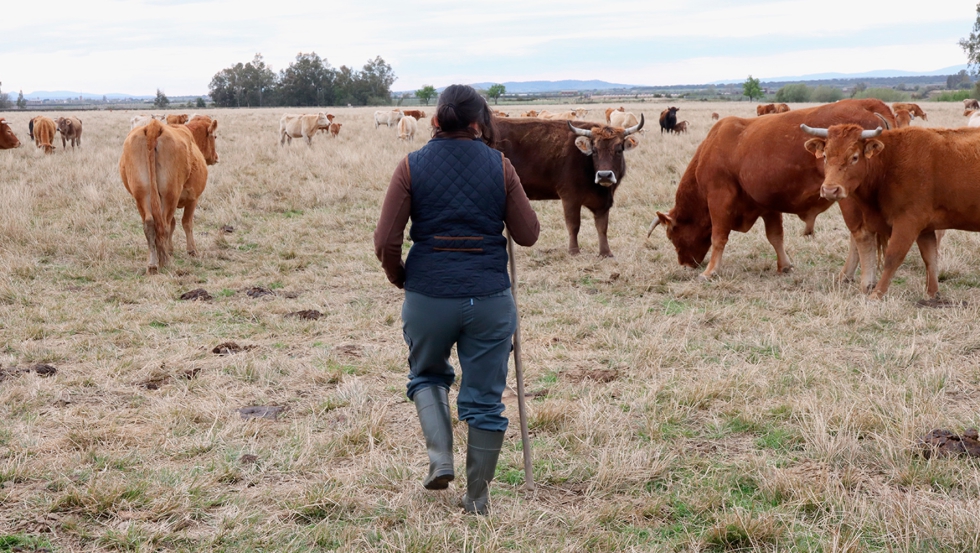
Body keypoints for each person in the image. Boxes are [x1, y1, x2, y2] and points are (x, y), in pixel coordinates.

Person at [374, 84, 539, 515]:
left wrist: (403, 280)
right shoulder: (500, 166)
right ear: (478, 123)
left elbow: (385, 241)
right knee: (486, 399)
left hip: (429, 295)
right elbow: (527, 234)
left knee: (426, 375)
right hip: (488, 299)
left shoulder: (411, 166)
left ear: (434, 121)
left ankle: (440, 459)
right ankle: (478, 498)